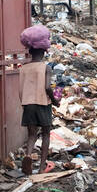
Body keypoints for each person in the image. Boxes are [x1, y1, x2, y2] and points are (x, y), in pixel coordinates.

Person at [18, 25, 56, 176]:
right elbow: (47, 88)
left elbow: (20, 89)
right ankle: (41, 167)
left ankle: (28, 155)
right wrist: (55, 100)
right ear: (44, 50)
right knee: (46, 133)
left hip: (28, 104)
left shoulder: (23, 68)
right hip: (43, 103)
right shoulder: (46, 68)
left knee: (32, 135)